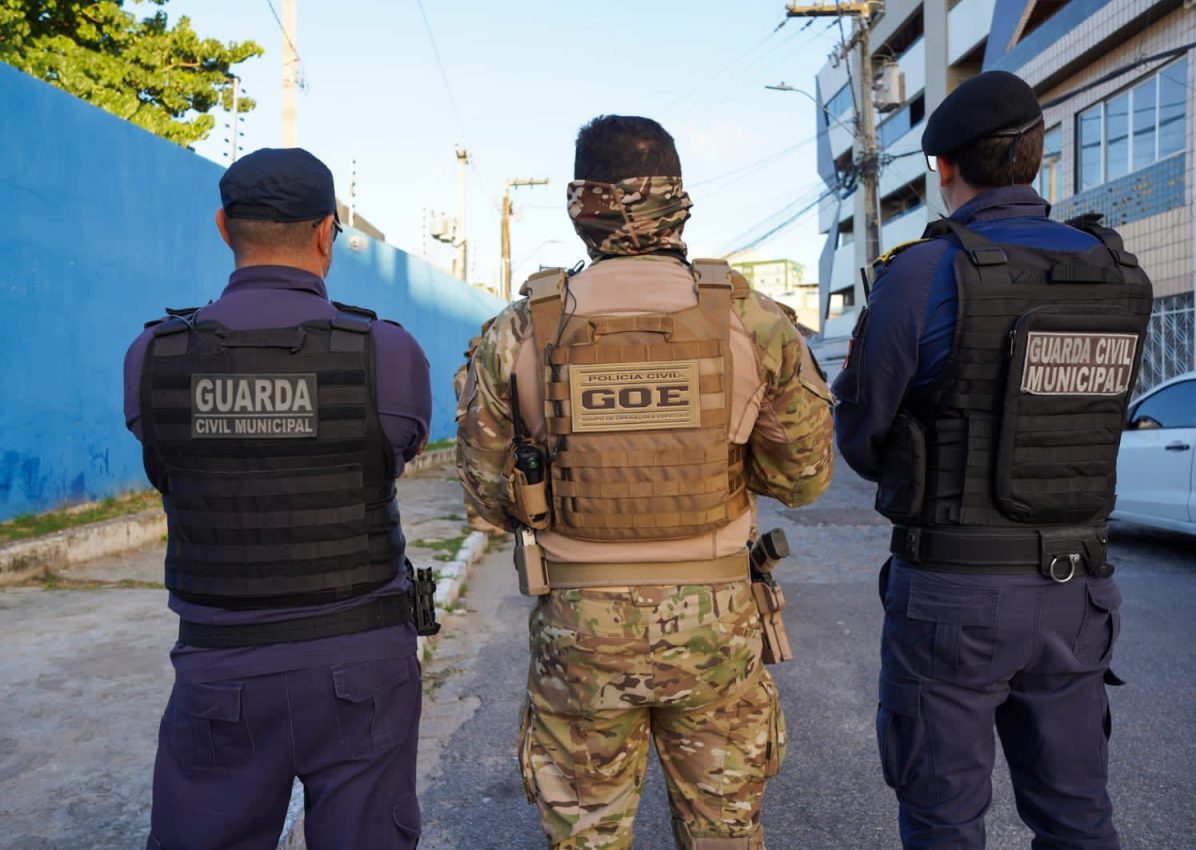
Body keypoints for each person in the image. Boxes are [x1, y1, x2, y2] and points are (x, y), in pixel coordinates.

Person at [456, 114, 833, 850]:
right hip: (718, 626)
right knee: (724, 833)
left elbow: (489, 498)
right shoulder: (751, 320)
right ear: (679, 200)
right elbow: (805, 477)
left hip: (580, 632)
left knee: (586, 837)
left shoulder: (520, 329)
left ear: (579, 204)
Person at [832, 71, 1153, 850]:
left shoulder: (920, 275)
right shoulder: (1116, 272)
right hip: (1077, 590)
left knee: (944, 819)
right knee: (1078, 816)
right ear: (1037, 160)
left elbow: (864, 438)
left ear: (944, 168)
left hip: (953, 593)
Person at [123, 147, 433, 850]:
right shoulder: (386, 352)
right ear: (328, 233)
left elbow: (167, 465)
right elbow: (396, 454)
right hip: (361, 665)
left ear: (223, 226)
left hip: (218, 670)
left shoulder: (156, 356)